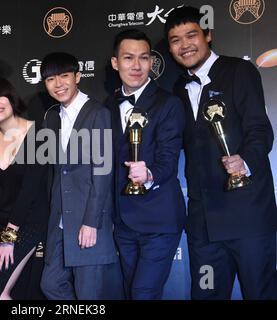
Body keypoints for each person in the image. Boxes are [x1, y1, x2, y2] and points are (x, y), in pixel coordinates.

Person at [165, 6, 277, 299]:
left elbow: (260, 130)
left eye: (191, 35)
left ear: (208, 35)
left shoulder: (239, 71)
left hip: (248, 215)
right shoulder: (176, 88)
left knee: (260, 293)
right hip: (204, 222)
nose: (184, 45)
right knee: (206, 295)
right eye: (175, 39)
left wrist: (246, 160)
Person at [106, 29, 186, 300]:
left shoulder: (169, 104)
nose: (136, 65)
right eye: (128, 58)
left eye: (143, 57)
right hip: (123, 223)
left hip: (159, 219)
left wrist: (149, 173)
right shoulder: (106, 106)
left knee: (143, 293)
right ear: (116, 63)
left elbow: (169, 158)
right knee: (132, 291)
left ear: (152, 62)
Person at [40, 52, 123, 300]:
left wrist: (91, 221)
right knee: (51, 284)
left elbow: (103, 170)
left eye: (64, 76)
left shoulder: (98, 112)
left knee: (89, 294)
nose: (58, 84)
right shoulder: (52, 117)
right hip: (60, 222)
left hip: (87, 220)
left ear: (77, 76)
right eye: (51, 79)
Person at [0, 77, 48, 300]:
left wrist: (9, 235)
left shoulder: (40, 134)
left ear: (11, 98)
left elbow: (30, 190)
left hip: (29, 223)